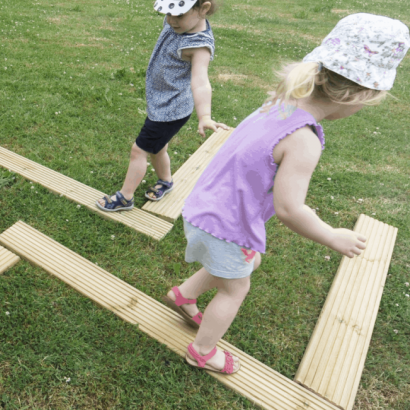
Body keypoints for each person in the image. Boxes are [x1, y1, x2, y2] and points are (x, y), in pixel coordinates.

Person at [164, 13, 409, 374]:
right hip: (226, 223)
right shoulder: (304, 141)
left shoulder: (278, 104)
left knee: (243, 263)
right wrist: (332, 236)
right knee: (235, 288)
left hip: (208, 206)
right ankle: (202, 350)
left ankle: (184, 296)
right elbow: (289, 210)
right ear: (357, 94)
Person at [97, 0, 228, 212]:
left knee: (139, 151)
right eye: (167, 13)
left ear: (203, 9)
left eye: (177, 15)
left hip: (170, 109)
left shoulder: (198, 45)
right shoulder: (182, 22)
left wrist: (205, 116)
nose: (170, 20)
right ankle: (165, 181)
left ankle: (125, 198)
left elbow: (201, 82)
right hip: (163, 102)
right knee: (158, 148)